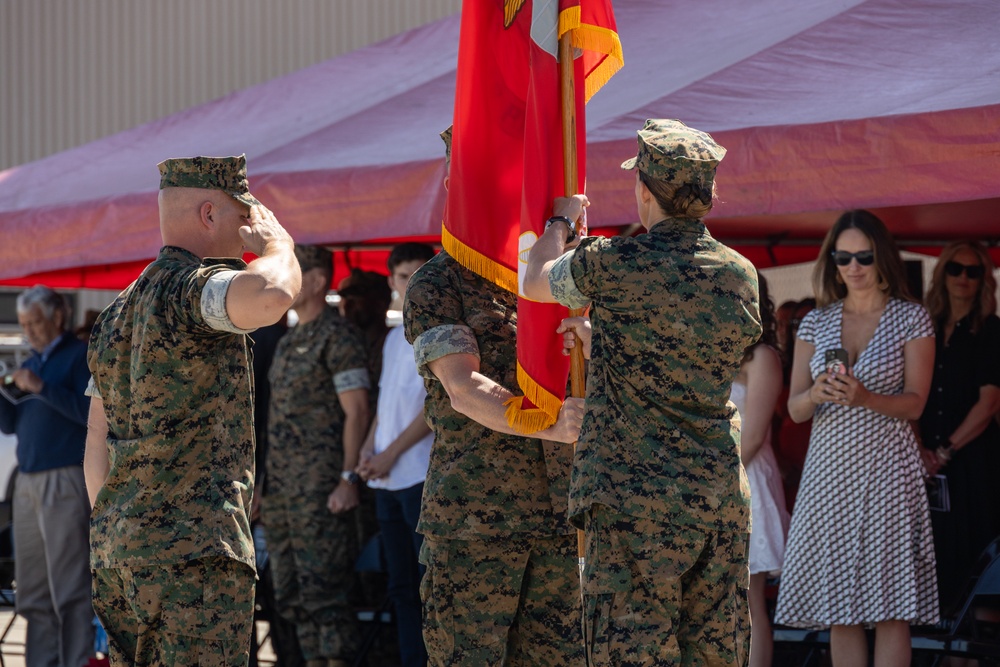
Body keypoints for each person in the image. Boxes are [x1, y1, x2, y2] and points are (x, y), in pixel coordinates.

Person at [524, 118, 761, 666]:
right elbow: (689, 351)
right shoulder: (739, 273)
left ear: (645, 190)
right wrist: (603, 336)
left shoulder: (614, 261)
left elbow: (533, 280)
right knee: (716, 654)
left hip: (634, 503)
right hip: (715, 495)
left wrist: (559, 223)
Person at [84, 154, 302, 667]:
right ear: (209, 215)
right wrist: (280, 246)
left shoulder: (117, 313)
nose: (250, 228)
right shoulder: (189, 287)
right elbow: (271, 295)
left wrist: (117, 527)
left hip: (121, 553)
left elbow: (95, 442)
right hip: (194, 558)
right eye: (242, 215)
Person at [402, 127, 587, 666]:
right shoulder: (439, 284)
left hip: (561, 516)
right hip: (477, 521)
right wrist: (551, 426)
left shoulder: (558, 275)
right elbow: (463, 388)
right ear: (451, 187)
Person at [775, 209, 937, 667]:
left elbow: (917, 403)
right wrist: (817, 393)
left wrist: (864, 396)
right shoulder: (814, 323)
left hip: (888, 470)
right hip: (829, 472)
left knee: (890, 609)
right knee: (838, 609)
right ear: (832, 262)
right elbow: (793, 408)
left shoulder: (911, 318)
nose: (854, 267)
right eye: (843, 257)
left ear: (881, 256)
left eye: (863, 256)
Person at [265, 244, 370, 667]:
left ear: (316, 281)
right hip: (283, 495)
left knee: (326, 595)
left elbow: (358, 410)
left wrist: (349, 479)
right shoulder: (290, 341)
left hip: (322, 491)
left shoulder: (338, 336)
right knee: (293, 596)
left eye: (292, 271)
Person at [0, 285, 94, 667]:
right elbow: (12, 425)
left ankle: (74, 661)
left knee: (69, 588)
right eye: (23, 324)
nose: (29, 331)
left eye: (34, 322)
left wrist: (40, 388)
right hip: (27, 481)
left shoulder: (78, 357)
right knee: (34, 590)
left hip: (65, 478)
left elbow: (90, 416)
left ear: (57, 316)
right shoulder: (34, 361)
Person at [357, 242, 437, 667]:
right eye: (405, 276)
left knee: (429, 588)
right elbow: (385, 403)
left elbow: (434, 407)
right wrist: (370, 449)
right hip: (387, 481)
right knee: (402, 587)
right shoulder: (392, 338)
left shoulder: (439, 333)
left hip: (419, 478)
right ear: (392, 281)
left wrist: (389, 454)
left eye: (421, 273)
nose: (413, 284)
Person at [918, 240, 1000, 616]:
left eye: (974, 271)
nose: (964, 277)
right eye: (956, 269)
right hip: (923, 464)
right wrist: (921, 450)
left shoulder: (991, 330)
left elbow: (989, 405)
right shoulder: (923, 325)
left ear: (985, 279)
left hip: (973, 465)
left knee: (976, 564)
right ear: (943, 273)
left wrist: (943, 453)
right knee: (933, 566)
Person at [730, 274, 789, 667]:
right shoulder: (709, 348)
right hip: (712, 479)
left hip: (747, 479)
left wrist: (712, 479)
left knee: (749, 600)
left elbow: (752, 437)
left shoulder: (763, 356)